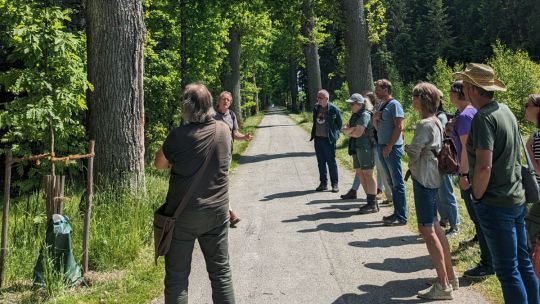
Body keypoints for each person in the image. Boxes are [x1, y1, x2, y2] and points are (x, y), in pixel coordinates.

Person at [456, 63, 539, 303]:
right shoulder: (505, 110)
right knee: (522, 263)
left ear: (472, 88)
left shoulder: (483, 118)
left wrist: (477, 196)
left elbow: (484, 166)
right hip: (516, 198)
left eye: (464, 85)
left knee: (507, 270)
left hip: (495, 202)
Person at [154, 83, 236, 304]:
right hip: (217, 212)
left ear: (186, 108)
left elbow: (159, 163)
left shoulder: (178, 136)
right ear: (210, 104)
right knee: (221, 274)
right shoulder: (224, 131)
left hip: (183, 217)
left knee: (177, 279)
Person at [405, 82, 457, 300]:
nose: (413, 99)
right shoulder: (436, 121)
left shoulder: (424, 125)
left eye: (415, 96)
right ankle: (450, 277)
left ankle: (443, 286)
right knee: (435, 226)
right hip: (433, 178)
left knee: (427, 229)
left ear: (423, 99)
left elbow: (414, 154)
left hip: (424, 180)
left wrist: (408, 149)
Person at [449, 80, 494, 279]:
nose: (449, 94)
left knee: (479, 218)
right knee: (480, 219)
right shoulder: (468, 114)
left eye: (452, 90)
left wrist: (464, 174)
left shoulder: (466, 115)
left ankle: (488, 262)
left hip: (472, 174)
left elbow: (468, 149)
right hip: (475, 173)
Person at [215, 91, 253, 228]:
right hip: (213, 156)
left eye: (228, 100)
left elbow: (235, 133)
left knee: (220, 184)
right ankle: (230, 214)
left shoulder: (231, 115)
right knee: (221, 184)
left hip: (227, 156)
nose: (226, 102)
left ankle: (222, 214)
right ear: (218, 101)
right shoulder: (211, 116)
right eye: (224, 99)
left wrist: (244, 137)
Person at [373, 79, 408, 226]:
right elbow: (378, 128)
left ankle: (401, 216)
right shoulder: (381, 104)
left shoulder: (395, 104)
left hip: (391, 148)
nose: (375, 92)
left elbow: (399, 127)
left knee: (397, 182)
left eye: (378, 89)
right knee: (390, 181)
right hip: (382, 146)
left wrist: (390, 145)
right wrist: (375, 119)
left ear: (386, 89)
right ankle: (396, 212)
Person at [341, 93, 379, 214]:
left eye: (352, 104)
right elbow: (346, 127)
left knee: (368, 173)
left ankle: (372, 203)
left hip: (365, 147)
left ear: (360, 104)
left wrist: (348, 131)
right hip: (356, 147)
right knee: (360, 173)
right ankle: (369, 201)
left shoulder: (364, 114)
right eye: (350, 103)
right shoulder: (355, 115)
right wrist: (351, 130)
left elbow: (358, 133)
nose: (350, 106)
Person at [310, 89, 343, 192]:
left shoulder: (334, 109)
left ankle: (335, 184)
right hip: (318, 139)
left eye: (321, 97)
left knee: (331, 162)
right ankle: (323, 184)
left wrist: (335, 135)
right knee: (321, 163)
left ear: (327, 99)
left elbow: (339, 124)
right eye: (318, 97)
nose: (318, 99)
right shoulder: (316, 108)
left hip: (328, 140)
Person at [435, 103, 459, 237]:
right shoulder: (433, 116)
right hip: (436, 159)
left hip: (444, 159)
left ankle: (454, 225)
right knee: (439, 192)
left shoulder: (441, 116)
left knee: (447, 192)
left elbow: (445, 135)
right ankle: (444, 219)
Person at [524, 94, 540, 251]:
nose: (525, 108)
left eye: (527, 105)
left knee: (529, 236)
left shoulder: (538, 137)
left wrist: (528, 149)